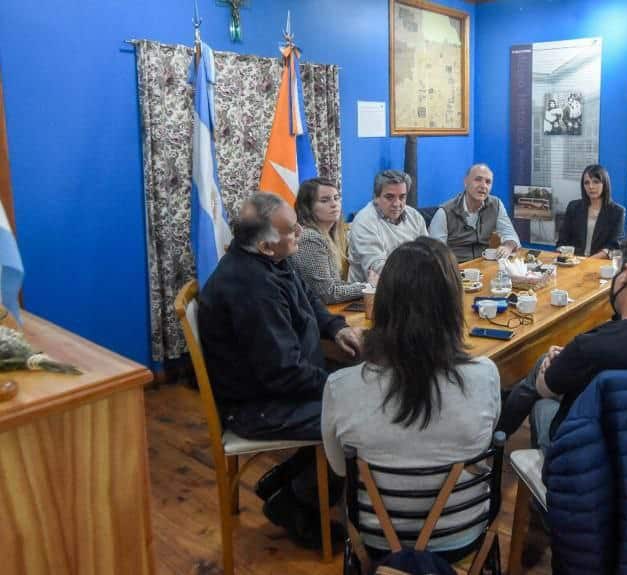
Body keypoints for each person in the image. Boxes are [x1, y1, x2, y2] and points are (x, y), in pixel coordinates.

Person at [198, 191, 363, 547]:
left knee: (357, 386)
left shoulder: (271, 260)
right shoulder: (250, 289)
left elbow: (308, 298)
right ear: (266, 246)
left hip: (282, 386)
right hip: (258, 406)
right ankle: (295, 502)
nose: (301, 232)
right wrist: (345, 386)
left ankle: (285, 480)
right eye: (292, 230)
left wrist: (336, 328)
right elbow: (284, 374)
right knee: (357, 414)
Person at [322, 237, 501, 552]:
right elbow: (482, 447)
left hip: (376, 538)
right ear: (452, 306)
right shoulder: (485, 375)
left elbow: (339, 468)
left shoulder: (341, 387)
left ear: (384, 304)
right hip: (463, 532)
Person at [496, 229, 627, 450]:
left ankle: (499, 441)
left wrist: (555, 366)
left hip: (586, 460)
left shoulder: (591, 347)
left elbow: (545, 388)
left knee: (541, 401)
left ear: (625, 274)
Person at [291, 177, 368, 304]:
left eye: (336, 198)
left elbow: (335, 284)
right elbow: (327, 293)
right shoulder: (310, 238)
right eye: (324, 200)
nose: (334, 204)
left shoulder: (329, 235)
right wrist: (367, 287)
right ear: (308, 207)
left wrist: (364, 285)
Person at [348, 169, 428, 283]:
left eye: (402, 197)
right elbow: (378, 268)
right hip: (369, 294)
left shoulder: (414, 216)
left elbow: (428, 253)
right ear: (376, 197)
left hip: (411, 284)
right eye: (389, 197)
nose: (397, 204)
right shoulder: (364, 221)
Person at [429, 164, 521, 262]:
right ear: (465, 182)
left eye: (488, 182)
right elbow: (436, 254)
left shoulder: (496, 205)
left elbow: (511, 235)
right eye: (478, 179)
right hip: (456, 268)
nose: (483, 186)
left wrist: (507, 247)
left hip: (483, 265)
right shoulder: (444, 212)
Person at [556, 164, 625, 258]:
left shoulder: (617, 212)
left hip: (599, 264)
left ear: (604, 184)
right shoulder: (573, 207)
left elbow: (614, 246)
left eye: (596, 182)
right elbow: (562, 240)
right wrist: (563, 255)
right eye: (586, 183)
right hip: (573, 261)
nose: (591, 186)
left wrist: (588, 261)